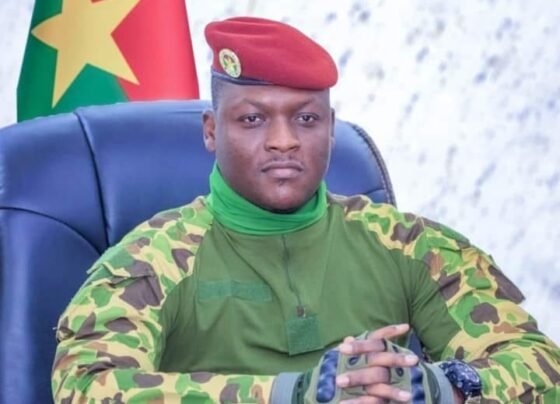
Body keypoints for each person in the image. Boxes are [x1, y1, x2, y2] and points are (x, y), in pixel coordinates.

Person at [51, 16, 560, 403]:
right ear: (211, 131)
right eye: (253, 120)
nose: (283, 141)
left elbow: (541, 366)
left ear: (332, 128)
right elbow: (87, 385)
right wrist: (289, 393)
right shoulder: (152, 260)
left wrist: (439, 386)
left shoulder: (409, 246)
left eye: (307, 119)